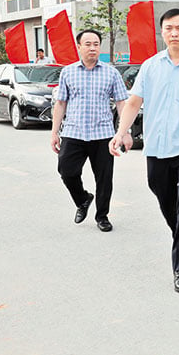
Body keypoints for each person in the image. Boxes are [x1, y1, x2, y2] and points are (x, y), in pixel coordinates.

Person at [109, 9, 179, 294]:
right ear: (162, 32)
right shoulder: (150, 66)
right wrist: (121, 132)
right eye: (169, 28)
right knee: (161, 191)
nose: (174, 33)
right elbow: (134, 102)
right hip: (158, 146)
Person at [50, 29, 129, 233]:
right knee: (66, 171)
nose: (92, 47)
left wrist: (124, 131)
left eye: (96, 44)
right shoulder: (68, 72)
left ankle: (102, 216)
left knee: (104, 178)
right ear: (79, 47)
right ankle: (82, 199)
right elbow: (60, 103)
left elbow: (122, 102)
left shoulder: (111, 72)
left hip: (102, 134)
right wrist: (54, 132)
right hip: (73, 132)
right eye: (88, 44)